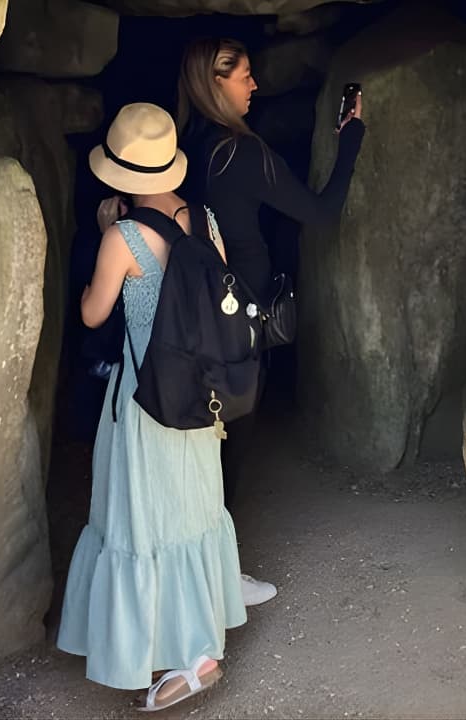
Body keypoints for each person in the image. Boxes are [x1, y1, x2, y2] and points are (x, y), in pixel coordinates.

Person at [56, 102, 246, 712]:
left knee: (144, 520)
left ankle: (179, 656)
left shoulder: (123, 238)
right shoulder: (204, 221)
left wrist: (102, 240)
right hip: (198, 396)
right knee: (192, 512)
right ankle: (201, 641)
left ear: (118, 176)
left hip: (145, 400)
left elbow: (93, 313)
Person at [176, 35, 364, 555]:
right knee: (231, 445)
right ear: (216, 83)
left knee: (196, 443)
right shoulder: (241, 151)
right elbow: (321, 213)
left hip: (189, 307)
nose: (255, 85)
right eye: (244, 76)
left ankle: (197, 564)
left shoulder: (185, 147)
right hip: (239, 312)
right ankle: (216, 570)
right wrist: (351, 140)